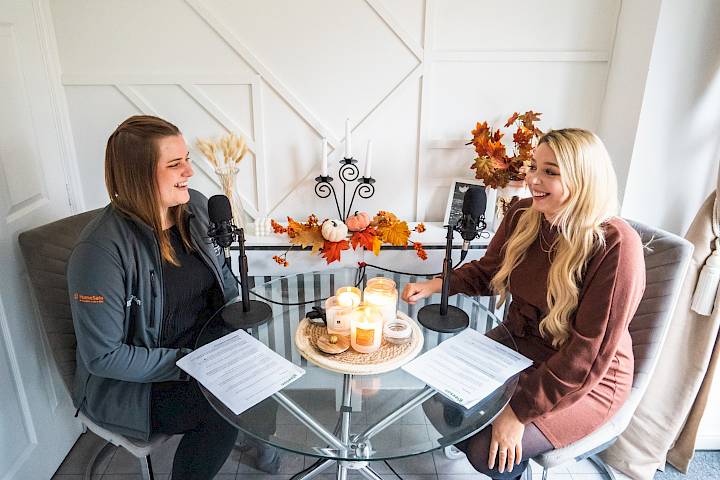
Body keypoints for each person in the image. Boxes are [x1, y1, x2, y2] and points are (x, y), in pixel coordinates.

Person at [402, 129, 646, 480]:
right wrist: (438, 284)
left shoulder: (616, 245)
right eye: (534, 166)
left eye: (550, 171)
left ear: (584, 178)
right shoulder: (523, 215)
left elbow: (586, 355)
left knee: (488, 454)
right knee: (436, 398)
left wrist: (517, 412)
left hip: (586, 377)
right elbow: (490, 271)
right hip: (519, 344)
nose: (533, 179)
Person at [67, 115, 277, 479]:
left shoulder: (193, 207)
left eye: (188, 159)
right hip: (141, 381)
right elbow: (104, 357)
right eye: (175, 163)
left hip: (206, 352)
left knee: (268, 373)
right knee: (221, 408)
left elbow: (223, 278)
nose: (190, 172)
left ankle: (262, 442)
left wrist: (240, 334)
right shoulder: (99, 252)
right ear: (139, 174)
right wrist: (190, 363)